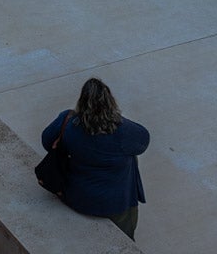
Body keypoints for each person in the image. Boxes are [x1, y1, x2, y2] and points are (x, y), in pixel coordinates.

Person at [40, 78, 149, 240]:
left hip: (77, 196)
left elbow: (47, 141)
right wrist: (116, 118)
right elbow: (143, 140)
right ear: (110, 102)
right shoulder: (123, 132)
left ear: (81, 102)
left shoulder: (68, 123)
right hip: (116, 204)